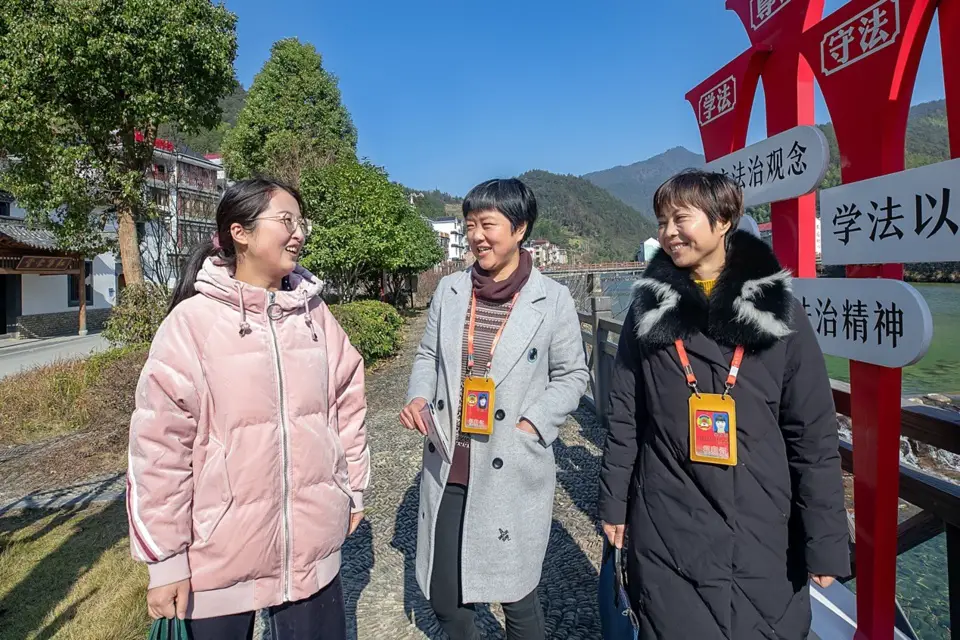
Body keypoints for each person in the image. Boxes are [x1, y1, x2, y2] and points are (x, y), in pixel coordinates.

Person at [598, 170, 849, 640]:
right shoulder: (646, 310)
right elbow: (626, 416)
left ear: (723, 221)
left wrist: (827, 540)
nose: (668, 232)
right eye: (661, 221)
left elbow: (812, 433)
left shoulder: (781, 311)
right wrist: (614, 503)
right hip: (666, 520)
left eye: (681, 218)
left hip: (762, 523)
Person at [126, 178, 369, 640]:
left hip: (311, 554)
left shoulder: (315, 316)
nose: (299, 233)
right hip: (217, 559)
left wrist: (350, 488)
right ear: (240, 232)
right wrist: (166, 560)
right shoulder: (192, 324)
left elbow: (348, 406)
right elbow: (158, 450)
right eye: (286, 221)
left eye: (301, 222)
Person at [399, 178, 589, 640]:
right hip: (451, 457)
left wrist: (534, 423)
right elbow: (427, 355)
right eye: (470, 226)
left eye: (489, 225)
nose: (477, 236)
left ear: (520, 228)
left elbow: (573, 375)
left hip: (509, 459)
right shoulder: (450, 291)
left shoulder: (553, 299)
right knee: (445, 595)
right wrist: (419, 395)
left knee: (516, 596)